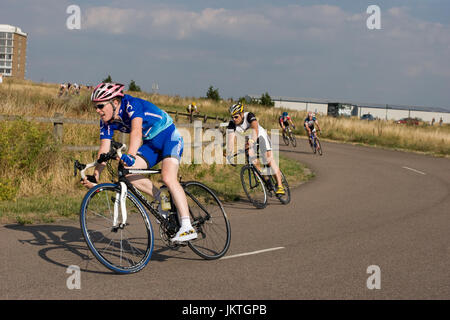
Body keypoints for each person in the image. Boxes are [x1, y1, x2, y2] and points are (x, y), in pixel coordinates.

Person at [81, 82, 197, 242]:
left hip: (169, 137)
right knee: (127, 172)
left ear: (115, 102)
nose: (98, 111)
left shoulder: (131, 104)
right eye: (95, 107)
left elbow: (136, 131)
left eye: (100, 106)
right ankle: (162, 198)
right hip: (151, 144)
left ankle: (187, 226)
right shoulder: (106, 121)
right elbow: (104, 148)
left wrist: (131, 154)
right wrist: (95, 176)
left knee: (168, 177)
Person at [226, 103, 285, 195]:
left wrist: (252, 140)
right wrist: (228, 153)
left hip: (259, 135)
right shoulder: (231, 124)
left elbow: (255, 128)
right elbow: (230, 140)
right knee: (253, 160)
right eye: (232, 117)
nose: (234, 119)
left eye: (236, 117)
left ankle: (280, 186)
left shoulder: (249, 116)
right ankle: (267, 181)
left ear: (242, 114)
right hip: (248, 139)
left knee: (268, 159)